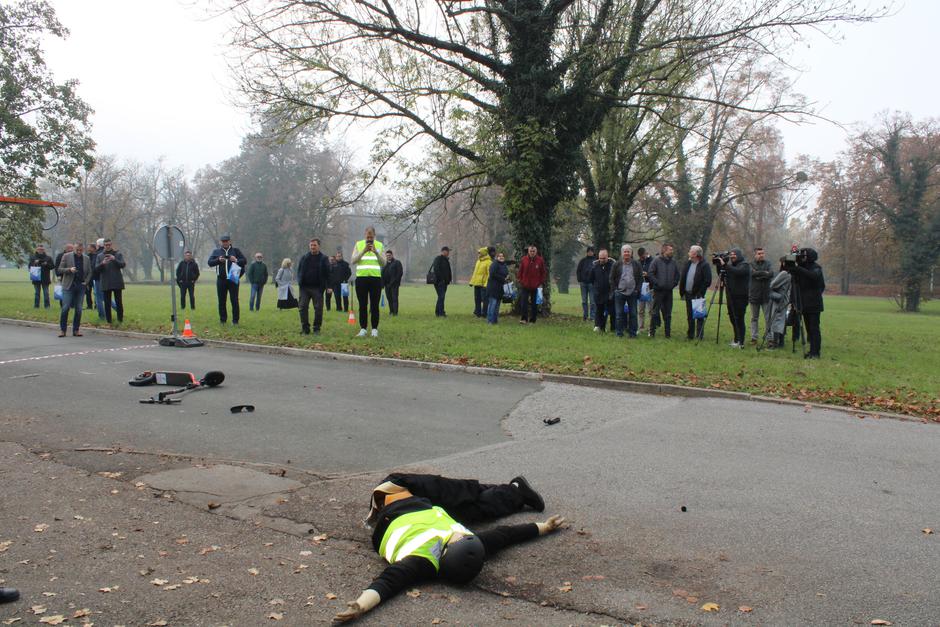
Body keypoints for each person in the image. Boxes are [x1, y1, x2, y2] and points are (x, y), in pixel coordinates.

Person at [334, 473, 564, 624]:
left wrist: (361, 605)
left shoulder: (421, 559)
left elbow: (388, 582)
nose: (458, 534)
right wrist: (543, 527)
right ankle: (514, 491)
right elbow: (505, 535)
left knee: (452, 491)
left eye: (456, 539)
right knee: (473, 511)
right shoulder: (471, 543)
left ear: (446, 551)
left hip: (400, 504)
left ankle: (501, 489)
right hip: (434, 511)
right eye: (461, 536)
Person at [786, 248, 825, 358]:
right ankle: (812, 351)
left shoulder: (816, 268)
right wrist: (791, 263)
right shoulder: (802, 268)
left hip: (814, 304)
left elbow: (814, 277)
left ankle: (815, 352)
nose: (802, 258)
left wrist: (798, 269)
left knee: (814, 328)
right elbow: (789, 270)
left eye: (804, 256)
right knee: (809, 328)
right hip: (804, 303)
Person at [351, 226, 386, 337]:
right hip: (361, 279)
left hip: (375, 279)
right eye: (367, 237)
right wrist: (363, 251)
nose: (369, 239)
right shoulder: (358, 244)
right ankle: (363, 328)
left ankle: (374, 329)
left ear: (374, 236)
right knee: (362, 305)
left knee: (375, 305)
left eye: (371, 237)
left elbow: (383, 263)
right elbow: (353, 260)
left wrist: (376, 252)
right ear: (364, 235)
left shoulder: (380, 245)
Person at [207, 234, 247, 325]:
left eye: (226, 241)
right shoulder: (216, 251)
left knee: (234, 300)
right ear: (220, 242)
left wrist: (236, 260)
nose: (225, 243)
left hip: (233, 278)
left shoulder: (236, 251)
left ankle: (235, 321)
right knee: (221, 300)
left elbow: (244, 261)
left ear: (230, 241)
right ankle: (223, 320)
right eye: (223, 241)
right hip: (221, 279)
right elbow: (209, 263)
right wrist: (218, 260)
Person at [716, 248, 750, 348]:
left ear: (739, 255)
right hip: (731, 297)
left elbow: (737, 272)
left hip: (741, 297)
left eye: (734, 255)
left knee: (739, 318)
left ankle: (741, 342)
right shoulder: (730, 266)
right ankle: (736, 339)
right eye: (731, 255)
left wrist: (725, 265)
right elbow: (722, 276)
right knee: (732, 318)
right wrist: (720, 266)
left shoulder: (745, 265)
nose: (732, 257)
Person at [296, 238, 331, 335]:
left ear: (319, 246)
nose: (312, 247)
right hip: (304, 287)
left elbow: (328, 273)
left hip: (318, 288)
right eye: (311, 245)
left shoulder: (324, 258)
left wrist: (329, 286)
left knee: (318, 308)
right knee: (302, 307)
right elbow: (299, 270)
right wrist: (299, 281)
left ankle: (316, 328)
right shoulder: (304, 257)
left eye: (314, 245)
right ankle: (305, 328)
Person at [57, 242, 91, 337]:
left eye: (81, 250)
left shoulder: (86, 258)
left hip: (80, 286)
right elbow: (59, 269)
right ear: (74, 249)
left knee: (79, 309)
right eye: (77, 250)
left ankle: (76, 330)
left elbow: (89, 272)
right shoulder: (66, 256)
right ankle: (63, 330)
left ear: (83, 250)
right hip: (68, 285)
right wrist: (69, 270)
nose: (79, 252)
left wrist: (86, 282)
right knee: (65, 308)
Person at [679, 245, 712, 340]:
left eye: (690, 251)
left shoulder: (704, 265)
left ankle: (699, 335)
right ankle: (690, 335)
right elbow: (683, 277)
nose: (689, 252)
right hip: (688, 293)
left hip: (698, 294)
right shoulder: (688, 263)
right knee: (690, 315)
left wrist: (700, 292)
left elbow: (707, 281)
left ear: (696, 254)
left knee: (699, 316)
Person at [609, 244, 643, 338]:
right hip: (619, 293)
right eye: (625, 251)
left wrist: (637, 290)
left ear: (631, 253)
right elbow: (611, 278)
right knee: (619, 314)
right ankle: (619, 333)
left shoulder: (636, 264)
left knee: (633, 314)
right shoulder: (616, 264)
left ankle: (632, 334)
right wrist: (615, 290)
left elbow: (640, 278)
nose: (626, 253)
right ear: (622, 253)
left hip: (633, 293)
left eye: (628, 251)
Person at [647, 243, 679, 338]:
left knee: (668, 313)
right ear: (664, 251)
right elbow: (650, 273)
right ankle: (652, 332)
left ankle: (667, 334)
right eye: (670, 250)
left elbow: (677, 275)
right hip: (658, 291)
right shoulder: (656, 261)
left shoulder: (673, 262)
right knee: (655, 312)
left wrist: (674, 284)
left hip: (669, 292)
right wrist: (657, 283)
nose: (672, 251)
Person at [95, 238, 126, 324]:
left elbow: (123, 265)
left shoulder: (118, 254)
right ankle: (109, 321)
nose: (107, 246)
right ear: (103, 245)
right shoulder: (100, 256)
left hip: (117, 281)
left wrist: (114, 259)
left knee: (119, 301)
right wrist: (102, 263)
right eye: (106, 245)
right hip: (106, 282)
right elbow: (96, 269)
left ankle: (120, 320)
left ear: (111, 245)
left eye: (109, 245)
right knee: (107, 303)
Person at [748, 247, 773, 344]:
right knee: (754, 318)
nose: (761, 255)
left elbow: (771, 273)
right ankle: (754, 338)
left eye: (762, 253)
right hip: (754, 295)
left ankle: (769, 338)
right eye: (759, 253)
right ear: (755, 254)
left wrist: (758, 273)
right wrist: (764, 273)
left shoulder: (768, 263)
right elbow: (752, 274)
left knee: (768, 318)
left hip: (766, 295)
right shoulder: (750, 264)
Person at [517, 245, 547, 324]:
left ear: (536, 252)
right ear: (528, 251)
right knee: (524, 303)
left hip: (536, 286)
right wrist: (520, 280)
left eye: (533, 251)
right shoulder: (524, 259)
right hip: (525, 285)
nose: (532, 253)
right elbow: (520, 271)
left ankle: (533, 320)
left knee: (535, 304)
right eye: (531, 251)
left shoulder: (540, 260)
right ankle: (524, 319)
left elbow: (543, 273)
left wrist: (540, 283)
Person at [766, 256, 791, 350]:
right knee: (782, 320)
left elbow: (772, 284)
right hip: (785, 299)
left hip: (779, 299)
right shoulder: (792, 273)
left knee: (776, 320)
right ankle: (781, 342)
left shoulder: (784, 273)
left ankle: (775, 343)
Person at [587, 248, 614, 332]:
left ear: (607, 257)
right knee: (599, 311)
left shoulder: (612, 266)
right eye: (600, 258)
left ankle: (613, 328)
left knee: (612, 312)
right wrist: (596, 287)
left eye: (604, 258)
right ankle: (600, 327)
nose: (602, 260)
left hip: (610, 293)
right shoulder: (595, 267)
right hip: (598, 293)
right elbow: (591, 279)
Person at [485, 251, 510, 324]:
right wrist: (503, 279)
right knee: (492, 304)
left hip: (500, 288)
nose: (501, 257)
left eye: (502, 256)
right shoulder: (494, 264)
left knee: (497, 305)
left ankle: (495, 320)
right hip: (493, 288)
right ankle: (490, 320)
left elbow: (506, 273)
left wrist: (507, 277)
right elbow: (492, 274)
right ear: (497, 257)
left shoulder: (504, 265)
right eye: (500, 256)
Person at [468, 246, 493, 317]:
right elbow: (475, 273)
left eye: (479, 253)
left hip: (483, 285)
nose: (478, 254)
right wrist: (471, 282)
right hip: (477, 284)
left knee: (485, 300)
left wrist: (486, 284)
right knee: (477, 300)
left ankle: (484, 314)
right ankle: (478, 313)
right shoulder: (478, 261)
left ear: (483, 253)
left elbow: (489, 274)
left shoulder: (489, 262)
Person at [28, 244, 55, 308]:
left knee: (46, 293)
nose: (40, 250)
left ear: (44, 250)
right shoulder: (33, 257)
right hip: (36, 277)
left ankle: (47, 306)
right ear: (36, 250)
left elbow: (52, 266)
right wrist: (34, 263)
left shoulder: (48, 258)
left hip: (45, 278)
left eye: (42, 249)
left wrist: (46, 264)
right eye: (39, 249)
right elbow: (29, 267)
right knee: (37, 293)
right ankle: (36, 306)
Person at [576, 246, 596, 322]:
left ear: (593, 252)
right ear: (587, 252)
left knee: (592, 302)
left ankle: (592, 317)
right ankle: (585, 315)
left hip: (592, 284)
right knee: (584, 301)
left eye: (591, 251)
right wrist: (580, 280)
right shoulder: (582, 261)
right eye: (589, 251)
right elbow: (578, 270)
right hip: (583, 283)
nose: (590, 252)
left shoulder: (595, 261)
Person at [88, 237, 105, 317]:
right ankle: (117, 308)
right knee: (104, 296)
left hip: (97, 278)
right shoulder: (106, 253)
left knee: (98, 297)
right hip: (105, 277)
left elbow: (94, 266)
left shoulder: (97, 254)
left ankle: (101, 314)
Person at [382, 249, 404, 316]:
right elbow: (382, 274)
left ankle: (395, 313)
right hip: (387, 285)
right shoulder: (385, 264)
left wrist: (395, 281)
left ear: (392, 255)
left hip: (394, 285)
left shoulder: (397, 262)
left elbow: (400, 273)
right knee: (389, 299)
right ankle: (391, 311)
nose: (388, 256)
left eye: (389, 255)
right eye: (387, 255)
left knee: (394, 298)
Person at [637, 247, 653, 330]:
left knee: (650, 309)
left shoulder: (652, 262)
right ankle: (641, 327)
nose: (642, 258)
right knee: (640, 310)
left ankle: (651, 327)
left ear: (646, 253)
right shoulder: (638, 262)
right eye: (640, 257)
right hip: (641, 288)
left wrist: (648, 275)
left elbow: (655, 274)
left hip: (650, 288)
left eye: (643, 256)